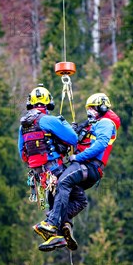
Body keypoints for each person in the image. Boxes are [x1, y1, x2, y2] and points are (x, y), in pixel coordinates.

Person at [37, 92, 120, 252]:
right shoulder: (94, 125)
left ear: (102, 107)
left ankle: (52, 223)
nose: (89, 111)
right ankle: (61, 231)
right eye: (87, 108)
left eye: (92, 108)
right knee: (61, 191)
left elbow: (100, 145)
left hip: (88, 166)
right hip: (87, 168)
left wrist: (78, 157)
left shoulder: (106, 123)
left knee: (63, 182)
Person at [18, 84, 87, 250]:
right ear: (48, 104)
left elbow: (23, 153)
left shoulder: (24, 126)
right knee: (80, 199)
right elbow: (72, 138)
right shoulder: (48, 120)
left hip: (40, 177)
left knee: (57, 200)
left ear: (31, 104)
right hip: (55, 169)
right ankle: (51, 222)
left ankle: (58, 234)